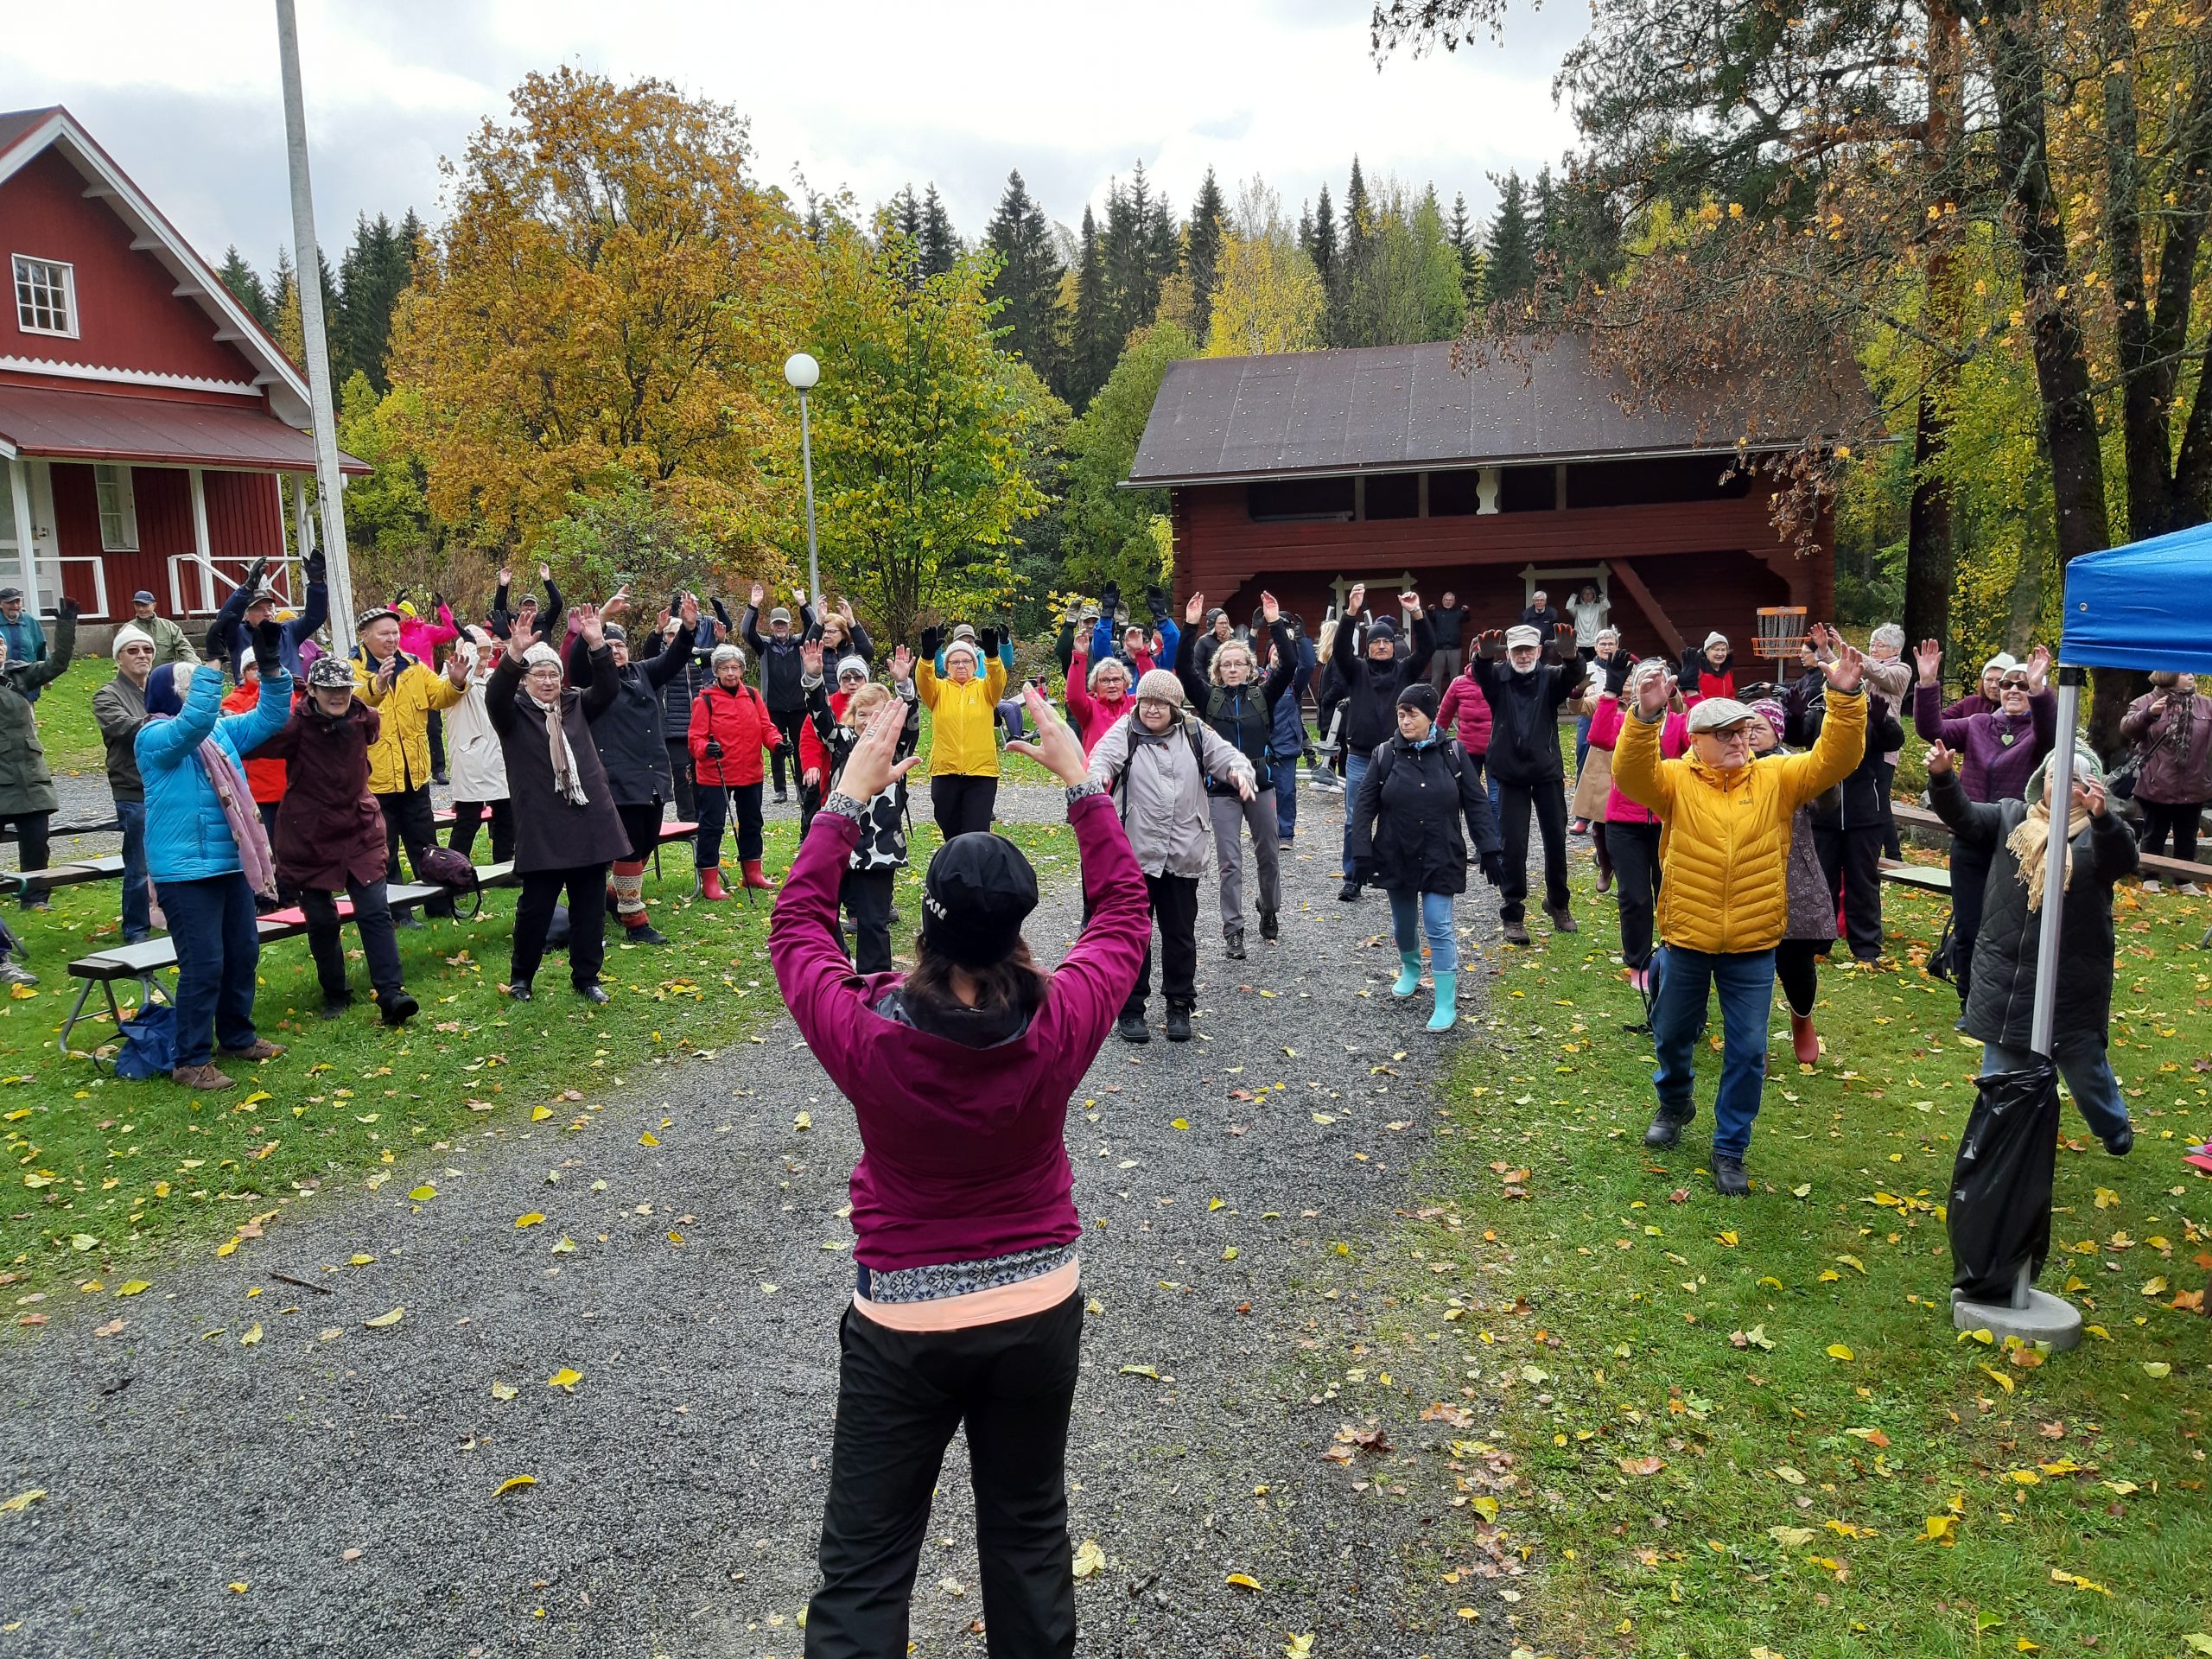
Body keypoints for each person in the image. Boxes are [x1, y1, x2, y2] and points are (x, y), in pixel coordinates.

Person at [772, 686, 1146, 1659]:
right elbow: (1123, 913)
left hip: (903, 1321)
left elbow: (797, 928)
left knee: (865, 1565)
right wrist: (1080, 783)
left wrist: (845, 799)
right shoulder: (1062, 1017)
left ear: (925, 927)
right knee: (1028, 1537)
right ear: (1021, 924)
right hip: (1037, 1308)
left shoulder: (867, 1030)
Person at [1611, 646, 1868, 1194]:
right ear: (1697, 742)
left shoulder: (1777, 778)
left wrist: (1846, 699)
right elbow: (1630, 774)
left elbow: (1835, 760)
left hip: (1754, 942)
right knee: (1673, 1034)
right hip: (1687, 937)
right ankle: (1675, 1101)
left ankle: (1730, 1147)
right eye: (1723, 734)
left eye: (1741, 731)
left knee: (1748, 1051)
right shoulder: (1675, 781)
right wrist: (1646, 716)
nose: (1736, 741)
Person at [1929, 740, 2138, 1154]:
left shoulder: (2100, 832)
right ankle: (1996, 1146)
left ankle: (2112, 1126)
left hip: (2071, 975)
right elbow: (1964, 817)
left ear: (2091, 788)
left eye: (2075, 779)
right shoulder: (2010, 817)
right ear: (2041, 782)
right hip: (2008, 971)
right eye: (2056, 777)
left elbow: (2121, 860)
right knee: (2001, 1069)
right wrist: (1942, 777)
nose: (2062, 786)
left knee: (2083, 1067)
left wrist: (2102, 818)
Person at [136, 638, 294, 1090]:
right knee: (204, 964)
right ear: (169, 696)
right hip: (185, 873)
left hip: (227, 865)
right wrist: (209, 660)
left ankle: (237, 1037)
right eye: (188, 685)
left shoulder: (217, 732)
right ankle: (189, 1059)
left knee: (243, 953)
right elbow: (194, 722)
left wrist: (269, 665)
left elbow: (270, 716)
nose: (196, 692)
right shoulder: (154, 737)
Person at [1085, 667, 1255, 1043]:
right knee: (1135, 935)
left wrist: (1241, 773)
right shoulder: (1126, 730)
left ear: (1175, 706)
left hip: (1182, 853)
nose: (1151, 709)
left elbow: (1229, 757)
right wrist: (1097, 779)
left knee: (1180, 935)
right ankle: (1131, 1009)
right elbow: (1101, 759)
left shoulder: (1195, 732)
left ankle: (1179, 1005)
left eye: (1160, 702)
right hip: (1135, 853)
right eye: (1146, 701)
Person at [259, 654, 420, 1026]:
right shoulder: (294, 727)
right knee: (321, 919)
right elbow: (254, 743)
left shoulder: (365, 717)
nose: (338, 696)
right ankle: (335, 993)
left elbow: (373, 725)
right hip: (308, 836)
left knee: (374, 911)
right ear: (312, 690)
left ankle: (392, 993)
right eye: (329, 689)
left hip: (358, 830)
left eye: (344, 688)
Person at [486, 606, 632, 1002]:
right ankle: (522, 979)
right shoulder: (512, 713)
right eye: (539, 674)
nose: (548, 681)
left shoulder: (577, 703)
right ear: (526, 680)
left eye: (553, 673)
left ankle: (587, 977)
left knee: (589, 907)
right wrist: (514, 656)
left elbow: (609, 688)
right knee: (535, 908)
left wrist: (597, 643)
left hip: (589, 819)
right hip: (543, 825)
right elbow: (495, 694)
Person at [1348, 682, 1503, 1031]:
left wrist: (1490, 848)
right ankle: (1411, 966)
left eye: (1412, 714)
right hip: (1396, 852)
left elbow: (1477, 803)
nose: (1404, 721)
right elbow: (1363, 808)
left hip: (1441, 851)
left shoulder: (1454, 753)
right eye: (1400, 714)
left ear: (1430, 716)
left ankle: (1445, 1002)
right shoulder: (1384, 755)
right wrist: (1361, 853)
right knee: (1403, 924)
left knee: (1438, 923)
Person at [1912, 640, 2056, 998]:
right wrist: (1928, 684)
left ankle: (2012, 995)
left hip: (2020, 838)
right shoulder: (1979, 724)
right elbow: (1933, 729)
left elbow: (2053, 733)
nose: (2013, 690)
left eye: (2022, 686)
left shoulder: (2037, 734)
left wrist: (2039, 689)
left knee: (2012, 925)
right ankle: (1969, 998)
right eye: (2008, 684)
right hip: (1972, 831)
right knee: (1969, 924)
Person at [1179, 589, 1296, 957]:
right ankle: (1234, 931)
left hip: (1260, 786)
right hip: (1221, 790)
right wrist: (1191, 625)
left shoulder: (1263, 695)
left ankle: (1269, 907)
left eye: (1239, 664)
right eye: (1226, 665)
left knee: (1269, 855)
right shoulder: (1208, 698)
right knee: (1230, 862)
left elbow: (1289, 664)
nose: (1232, 669)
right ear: (1218, 669)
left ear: (1249, 668)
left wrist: (1275, 623)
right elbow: (1182, 667)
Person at [800, 644, 920, 973]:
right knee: (821, 912)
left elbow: (911, 724)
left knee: (872, 923)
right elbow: (820, 718)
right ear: (852, 717)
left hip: (878, 849)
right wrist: (812, 678)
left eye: (877, 713)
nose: (868, 720)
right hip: (837, 844)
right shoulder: (841, 740)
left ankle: (874, 982)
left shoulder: (895, 748)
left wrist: (904, 687)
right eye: (862, 714)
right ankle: (838, 965)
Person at [1786, 635, 1906, 963]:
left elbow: (1895, 739)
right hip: (1823, 814)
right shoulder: (1820, 711)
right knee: (1821, 879)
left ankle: (1866, 947)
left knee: (1862, 881)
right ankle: (1818, 944)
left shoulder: (1868, 712)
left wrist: (1881, 724)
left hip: (1864, 815)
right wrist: (1795, 717)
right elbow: (1797, 737)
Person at [574, 615, 690, 946]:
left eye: (621, 645)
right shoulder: (593, 684)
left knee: (646, 844)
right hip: (617, 778)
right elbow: (577, 663)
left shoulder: (643, 672)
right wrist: (591, 636)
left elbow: (674, 658)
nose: (616, 651)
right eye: (609, 646)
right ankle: (634, 920)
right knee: (629, 847)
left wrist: (688, 629)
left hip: (652, 774)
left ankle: (612, 896)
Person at [354, 606, 467, 927]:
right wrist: (377, 685)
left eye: (394, 632)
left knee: (425, 844)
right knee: (384, 849)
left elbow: (439, 696)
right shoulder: (352, 668)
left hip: (414, 774)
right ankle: (398, 912)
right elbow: (354, 702)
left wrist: (456, 684)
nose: (391, 639)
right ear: (365, 636)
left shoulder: (414, 666)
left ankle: (436, 904)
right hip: (376, 779)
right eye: (383, 633)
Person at [1471, 620, 1582, 945]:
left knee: (1556, 840)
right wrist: (1482, 658)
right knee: (1513, 845)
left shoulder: (1550, 678)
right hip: (1509, 774)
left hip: (1546, 771)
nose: (1522, 656)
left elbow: (1573, 676)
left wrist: (1572, 655)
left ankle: (1558, 903)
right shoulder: (1498, 679)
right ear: (1508, 653)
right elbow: (1481, 674)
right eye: (1516, 650)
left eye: (1528, 650)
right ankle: (1513, 913)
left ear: (1538, 651)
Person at [1330, 584, 1435, 900]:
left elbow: (1428, 648)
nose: (1380, 646)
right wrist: (1351, 612)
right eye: (1374, 641)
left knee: (1402, 818)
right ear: (1367, 647)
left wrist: (1416, 612)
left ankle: (1399, 873)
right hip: (1360, 757)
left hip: (1398, 756)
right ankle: (1354, 877)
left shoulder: (1405, 671)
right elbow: (1339, 651)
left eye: (1385, 641)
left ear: (1393, 646)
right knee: (1355, 820)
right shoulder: (1356, 670)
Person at [1586, 662, 1688, 989]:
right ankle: (1639, 963)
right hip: (1624, 822)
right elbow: (1598, 737)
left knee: (1669, 893)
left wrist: (1690, 692)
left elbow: (1699, 738)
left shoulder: (1675, 723)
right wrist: (1611, 692)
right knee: (1634, 896)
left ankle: (1675, 956)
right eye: (1645, 679)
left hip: (1666, 821)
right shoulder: (1623, 720)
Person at [1746, 698, 1835, 1065]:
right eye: (1745, 727)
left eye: (1759, 728)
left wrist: (1827, 775)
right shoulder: (1731, 765)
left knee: (1796, 962)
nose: (1750, 735)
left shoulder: (1793, 765)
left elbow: (1825, 804)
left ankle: (1802, 1019)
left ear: (1777, 733)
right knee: (1751, 964)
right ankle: (1754, 1040)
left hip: (1793, 877)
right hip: (1747, 876)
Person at [0, 598, 76, 908]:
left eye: (1, 644)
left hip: (29, 777)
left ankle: (35, 898)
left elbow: (57, 664)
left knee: (36, 843)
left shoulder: (19, 676)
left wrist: (66, 624)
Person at [690, 643, 780, 898]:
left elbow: (766, 727)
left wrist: (777, 743)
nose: (730, 672)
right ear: (716, 671)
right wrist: (707, 748)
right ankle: (709, 879)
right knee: (712, 825)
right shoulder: (705, 700)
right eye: (724, 668)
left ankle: (752, 873)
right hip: (715, 773)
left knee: (752, 822)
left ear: (742, 669)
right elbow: (695, 738)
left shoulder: (752, 696)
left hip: (750, 772)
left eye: (735, 667)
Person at [94, 622, 159, 944]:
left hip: (165, 786)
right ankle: (136, 929)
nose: (142, 655)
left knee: (171, 860)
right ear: (118, 658)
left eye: (147, 649)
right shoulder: (107, 695)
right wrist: (165, 724)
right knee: (139, 865)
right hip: (133, 790)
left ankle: (170, 918)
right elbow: (123, 727)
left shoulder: (160, 688)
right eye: (133, 650)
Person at [916, 624, 1009, 840]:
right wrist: (927, 658)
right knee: (949, 829)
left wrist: (993, 656)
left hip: (981, 773)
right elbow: (923, 680)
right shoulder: (938, 690)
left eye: (966, 661)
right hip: (945, 772)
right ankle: (955, 871)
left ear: (974, 664)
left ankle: (976, 871)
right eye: (954, 661)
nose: (960, 665)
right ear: (947, 665)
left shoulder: (985, 689)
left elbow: (998, 679)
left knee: (977, 833)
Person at [2120, 672, 2211, 887]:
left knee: (2188, 836)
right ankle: (2150, 878)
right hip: (2156, 782)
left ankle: (2184, 881)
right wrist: (2149, 714)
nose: (2192, 676)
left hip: (2194, 783)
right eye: (2184, 672)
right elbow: (2126, 728)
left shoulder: (2205, 705)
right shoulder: (2145, 702)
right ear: (2168, 675)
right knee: (2154, 833)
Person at [641, 594, 719, 823]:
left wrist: (721, 641)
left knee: (700, 773)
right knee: (681, 776)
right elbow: (648, 652)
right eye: (669, 634)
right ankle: (686, 819)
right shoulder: (658, 662)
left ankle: (702, 816)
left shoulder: (695, 658)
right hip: (672, 729)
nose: (673, 638)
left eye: (677, 633)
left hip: (698, 726)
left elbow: (720, 660)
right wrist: (657, 630)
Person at [443, 627, 515, 866]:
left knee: (506, 813)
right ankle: (456, 867)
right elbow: (462, 682)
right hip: (470, 758)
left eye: (487, 654)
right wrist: (470, 647)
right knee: (468, 819)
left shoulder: (493, 678)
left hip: (497, 757)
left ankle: (505, 865)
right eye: (479, 653)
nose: (484, 660)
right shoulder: (452, 678)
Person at [742, 583, 817, 804]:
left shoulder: (799, 643)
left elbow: (814, 626)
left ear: (789, 624)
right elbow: (747, 632)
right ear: (772, 626)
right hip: (773, 706)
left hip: (799, 706)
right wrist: (753, 605)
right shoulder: (764, 646)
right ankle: (780, 789)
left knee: (800, 747)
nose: (780, 628)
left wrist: (803, 603)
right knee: (776, 747)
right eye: (776, 624)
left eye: (783, 624)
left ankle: (802, 788)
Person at [209, 551, 329, 681]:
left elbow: (316, 616)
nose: (267, 613)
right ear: (246, 616)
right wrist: (247, 589)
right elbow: (224, 620)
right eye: (259, 609)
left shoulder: (288, 631)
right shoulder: (238, 634)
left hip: (293, 697)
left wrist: (317, 584)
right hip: (256, 698)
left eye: (270, 608)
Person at [1570, 649, 1628, 889]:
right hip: (1603, 770)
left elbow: (1676, 708)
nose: (1629, 685)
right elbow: (1577, 707)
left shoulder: (1649, 701)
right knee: (1599, 830)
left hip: (1630, 771)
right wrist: (1578, 689)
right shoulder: (1604, 699)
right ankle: (1606, 868)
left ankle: (1626, 869)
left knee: (1626, 830)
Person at [1860, 623, 1914, 859]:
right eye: (1872, 644)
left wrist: (1855, 657)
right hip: (1864, 742)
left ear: (1895, 649)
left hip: (1885, 744)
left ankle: (1894, 854)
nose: (1873, 648)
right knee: (1869, 797)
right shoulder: (1870, 667)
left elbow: (1881, 675)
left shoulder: (1902, 670)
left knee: (1881, 798)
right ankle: (1878, 849)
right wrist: (1828, 651)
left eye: (1879, 645)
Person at [1265, 617, 1317, 845]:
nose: (1278, 657)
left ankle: (1285, 834)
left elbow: (1308, 664)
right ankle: (1265, 831)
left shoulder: (1294, 683)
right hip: (1260, 745)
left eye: (1282, 653)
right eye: (1275, 653)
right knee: (1260, 793)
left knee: (1285, 792)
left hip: (1285, 743)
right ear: (1268, 657)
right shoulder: (1256, 678)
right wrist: (1255, 632)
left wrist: (1301, 637)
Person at [1064, 631, 1136, 757]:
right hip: (1098, 772)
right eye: (1105, 680)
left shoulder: (1134, 704)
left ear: (1125, 683)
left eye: (1116, 679)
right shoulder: (1090, 708)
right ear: (1095, 686)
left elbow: (1153, 692)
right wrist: (1080, 656)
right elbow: (1074, 697)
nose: (1112, 685)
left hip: (1131, 771)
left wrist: (1140, 653)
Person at [487, 563, 563, 643]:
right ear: (520, 608)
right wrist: (503, 585)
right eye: (526, 605)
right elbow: (499, 609)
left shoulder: (546, 620)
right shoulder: (513, 621)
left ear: (538, 607)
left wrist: (547, 580)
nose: (529, 608)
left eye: (533, 605)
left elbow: (557, 603)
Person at [124, 590, 199, 666]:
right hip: (139, 676)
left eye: (144, 605)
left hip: (165, 675)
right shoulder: (128, 629)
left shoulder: (169, 626)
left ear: (154, 605)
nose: (141, 609)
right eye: (137, 605)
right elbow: (121, 655)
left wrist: (195, 665)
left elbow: (185, 648)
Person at [0, 588, 48, 697]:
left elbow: (41, 648)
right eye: (10, 602)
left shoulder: (29, 620)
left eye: (18, 601)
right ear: (1, 604)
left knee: (26, 712)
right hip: (2, 679)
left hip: (26, 679)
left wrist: (46, 675)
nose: (15, 606)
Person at [1943, 653, 2016, 721]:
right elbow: (1939, 723)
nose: (1993, 685)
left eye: (1999, 680)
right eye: (1989, 680)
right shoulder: (1970, 703)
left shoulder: (2017, 709)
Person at [1426, 590, 1469, 692]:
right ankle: (1434, 700)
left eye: (1450, 600)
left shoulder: (1459, 612)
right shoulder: (1437, 612)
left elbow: (1467, 619)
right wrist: (1429, 611)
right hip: (1438, 649)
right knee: (1436, 677)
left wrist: (1466, 612)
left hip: (1455, 648)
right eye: (1446, 600)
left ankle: (1455, 700)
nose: (1448, 602)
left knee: (1455, 677)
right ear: (1442, 601)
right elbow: (1429, 618)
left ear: (1454, 601)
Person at [1680, 632, 1737, 702]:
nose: (1720, 653)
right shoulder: (1697, 670)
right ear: (1706, 651)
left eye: (1723, 650)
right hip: (1702, 711)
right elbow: (1685, 696)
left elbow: (1731, 695)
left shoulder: (1727, 671)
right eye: (1716, 650)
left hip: (1724, 712)